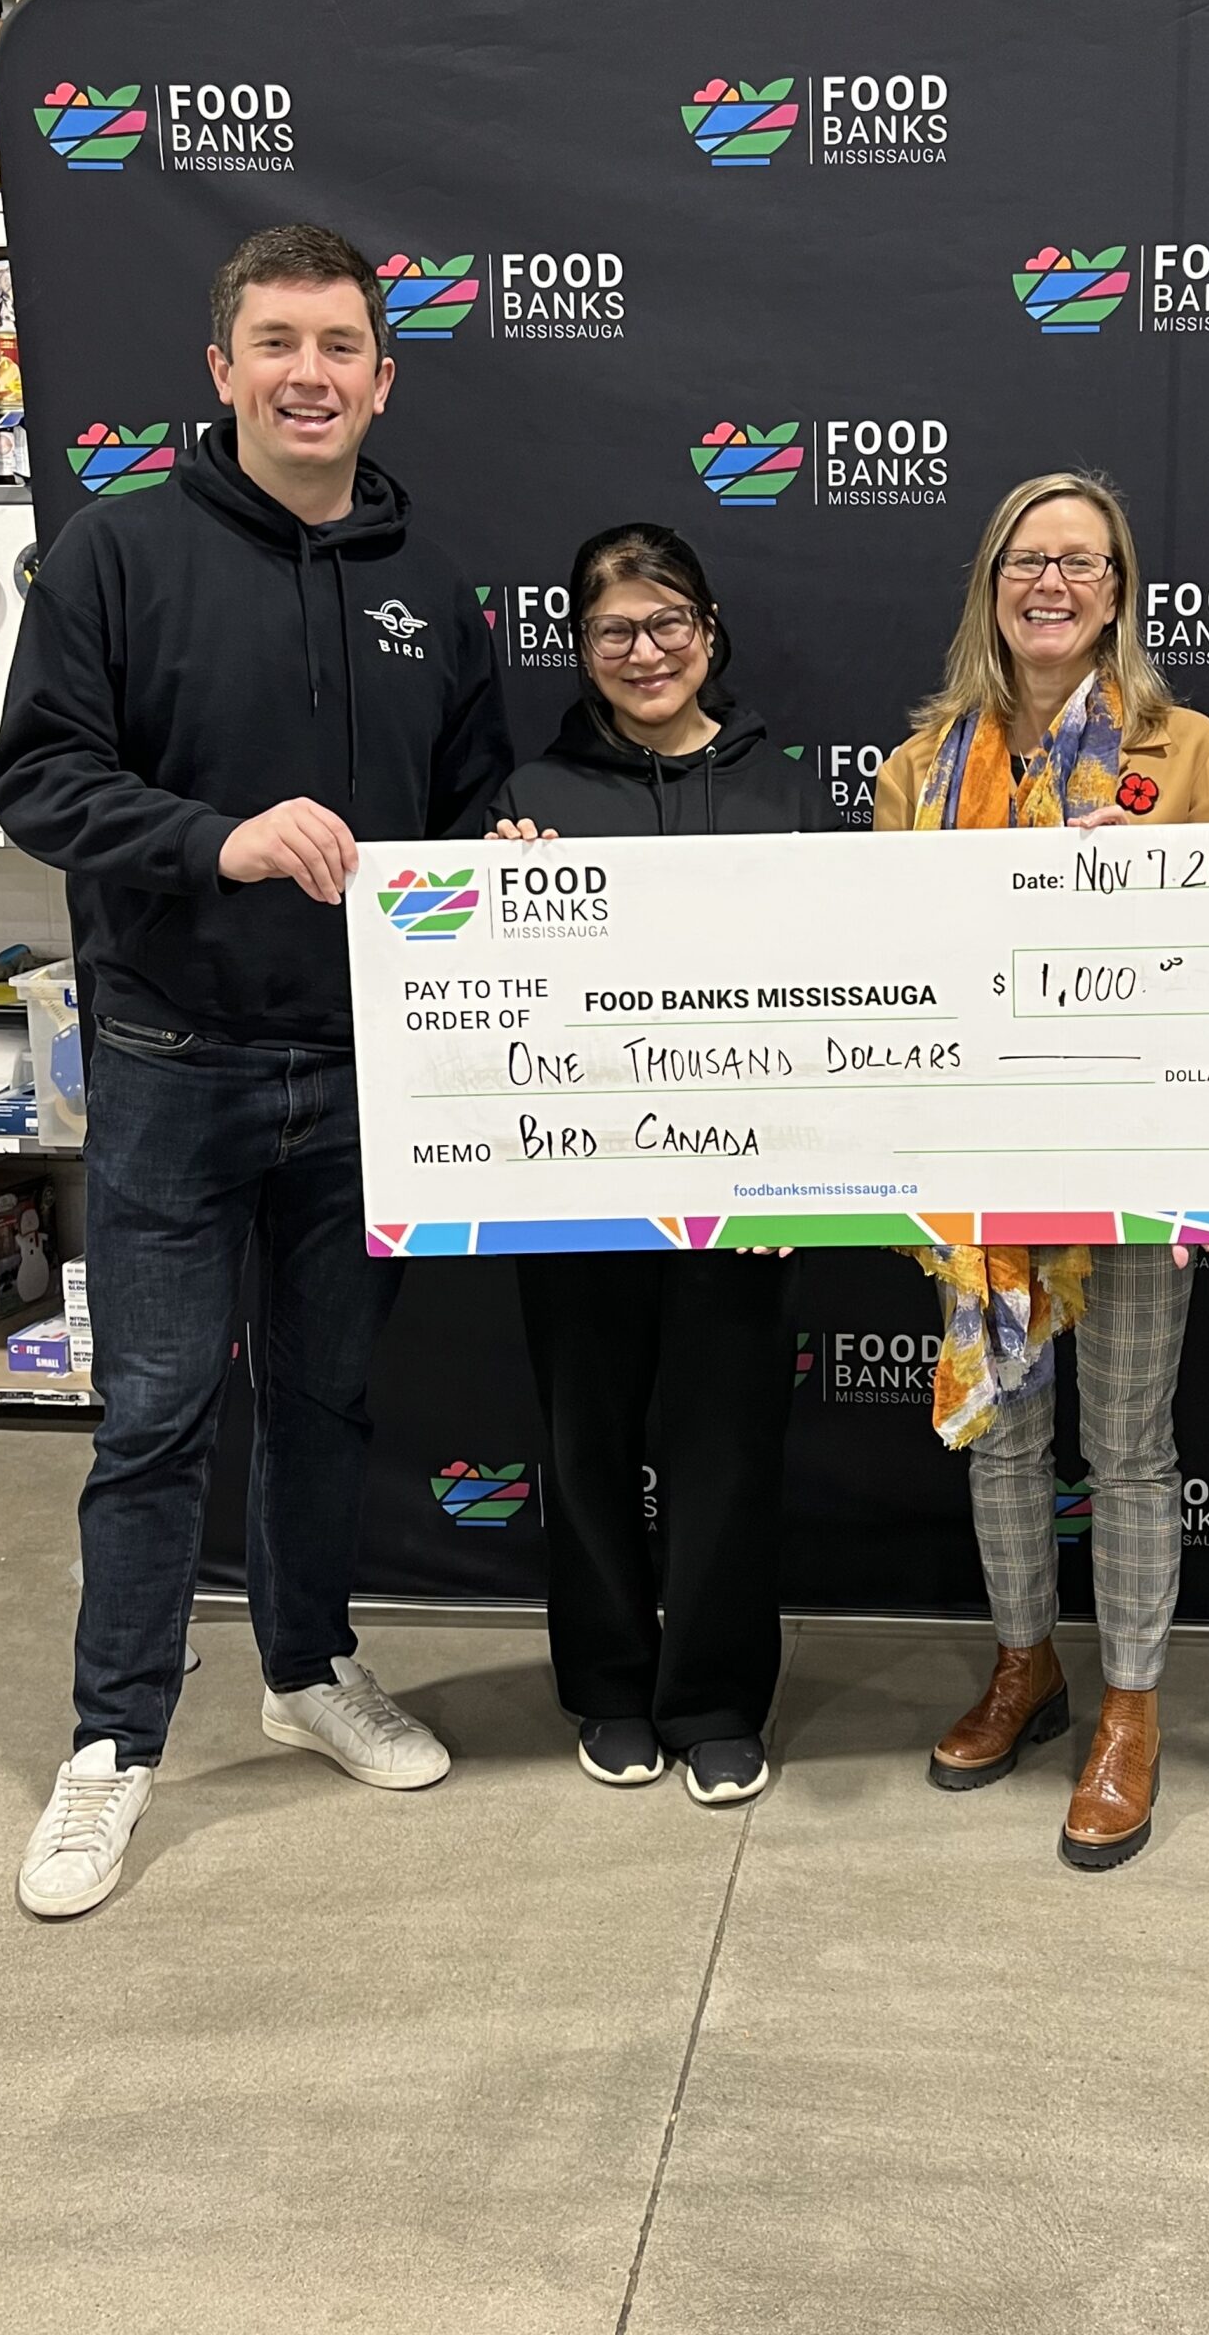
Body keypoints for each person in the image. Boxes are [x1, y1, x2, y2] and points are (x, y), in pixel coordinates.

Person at [0, 223, 512, 1919]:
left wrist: (499, 856)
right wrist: (215, 839)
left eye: (340, 345)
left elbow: (463, 809)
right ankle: (113, 1741)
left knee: (328, 1401)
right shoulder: (116, 554)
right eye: (277, 343)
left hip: (365, 1076)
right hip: (172, 1063)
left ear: (383, 376)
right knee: (154, 1415)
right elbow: (39, 782)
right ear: (222, 371)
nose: (309, 374)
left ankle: (306, 1667)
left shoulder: (435, 585)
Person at [874, 472, 1209, 1871]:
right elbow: (888, 967)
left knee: (1130, 1445)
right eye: (1028, 560)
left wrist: (1163, 880)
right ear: (993, 583)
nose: (1052, 584)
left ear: (1117, 592)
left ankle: (1131, 1708)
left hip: (1132, 1148)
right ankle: (1025, 1666)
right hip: (979, 1149)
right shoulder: (921, 767)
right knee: (1006, 1430)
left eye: (1081, 563)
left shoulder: (1189, 752)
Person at [488, 522, 827, 1806]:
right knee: (584, 1436)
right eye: (615, 630)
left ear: (710, 631)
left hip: (745, 1184)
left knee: (727, 1441)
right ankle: (612, 1685)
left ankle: (718, 1696)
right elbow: (484, 995)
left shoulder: (783, 790)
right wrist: (497, 901)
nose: (645, 651)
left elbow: (830, 993)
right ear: (579, 646)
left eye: (668, 623)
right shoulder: (530, 794)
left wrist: (800, 1170)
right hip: (575, 1178)